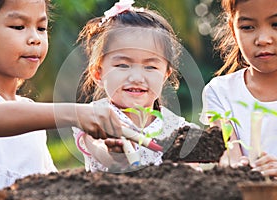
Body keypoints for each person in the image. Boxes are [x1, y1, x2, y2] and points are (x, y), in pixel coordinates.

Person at [0, 0, 123, 189]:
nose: (35, 38)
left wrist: (106, 157)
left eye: (41, 28)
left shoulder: (31, 115)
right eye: (18, 26)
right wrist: (74, 114)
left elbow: (53, 185)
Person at [73, 0, 197, 172]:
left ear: (165, 75)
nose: (137, 78)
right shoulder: (95, 117)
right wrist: (114, 154)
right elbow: (97, 146)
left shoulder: (177, 129)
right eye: (123, 65)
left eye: (150, 67)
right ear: (98, 73)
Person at [200, 0, 277, 178]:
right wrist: (239, 167)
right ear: (233, 30)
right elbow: (230, 153)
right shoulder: (220, 91)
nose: (263, 40)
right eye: (248, 27)